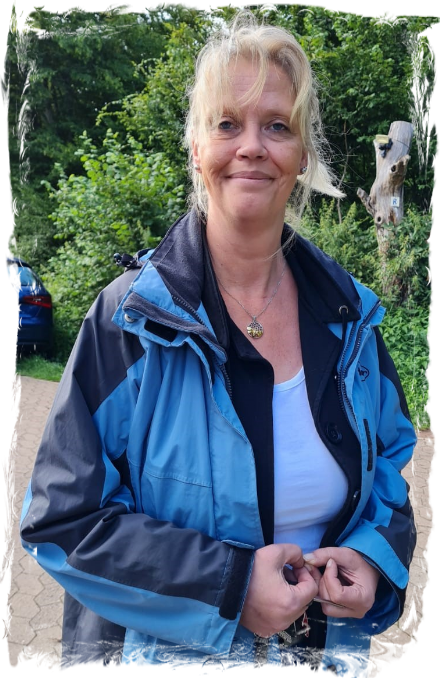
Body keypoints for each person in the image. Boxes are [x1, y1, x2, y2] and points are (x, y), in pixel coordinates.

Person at [21, 12, 417, 678]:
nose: (252, 146)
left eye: (277, 126)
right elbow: (62, 520)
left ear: (302, 154)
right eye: (228, 124)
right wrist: (228, 589)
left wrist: (374, 558)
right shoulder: (130, 322)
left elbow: (391, 474)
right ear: (196, 148)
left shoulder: (350, 320)